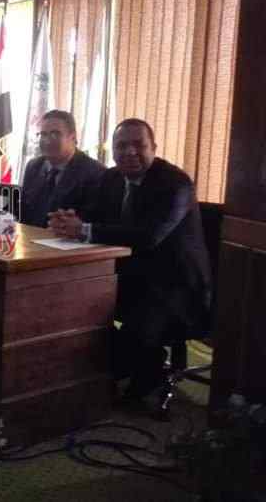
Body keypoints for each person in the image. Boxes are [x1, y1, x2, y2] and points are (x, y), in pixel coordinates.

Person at [48, 118, 212, 401]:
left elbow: (149, 236)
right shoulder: (111, 178)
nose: (129, 152)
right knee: (75, 306)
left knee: (135, 331)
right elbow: (93, 215)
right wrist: (70, 219)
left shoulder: (176, 183)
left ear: (154, 148)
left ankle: (146, 373)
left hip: (175, 287)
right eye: (121, 146)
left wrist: (84, 230)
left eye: (138, 145)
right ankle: (112, 371)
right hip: (130, 277)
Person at [19, 109, 105, 227]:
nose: (47, 141)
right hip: (28, 236)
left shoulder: (95, 173)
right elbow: (23, 212)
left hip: (66, 238)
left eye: (55, 134)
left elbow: (90, 223)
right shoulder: (33, 166)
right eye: (43, 134)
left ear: (73, 137)